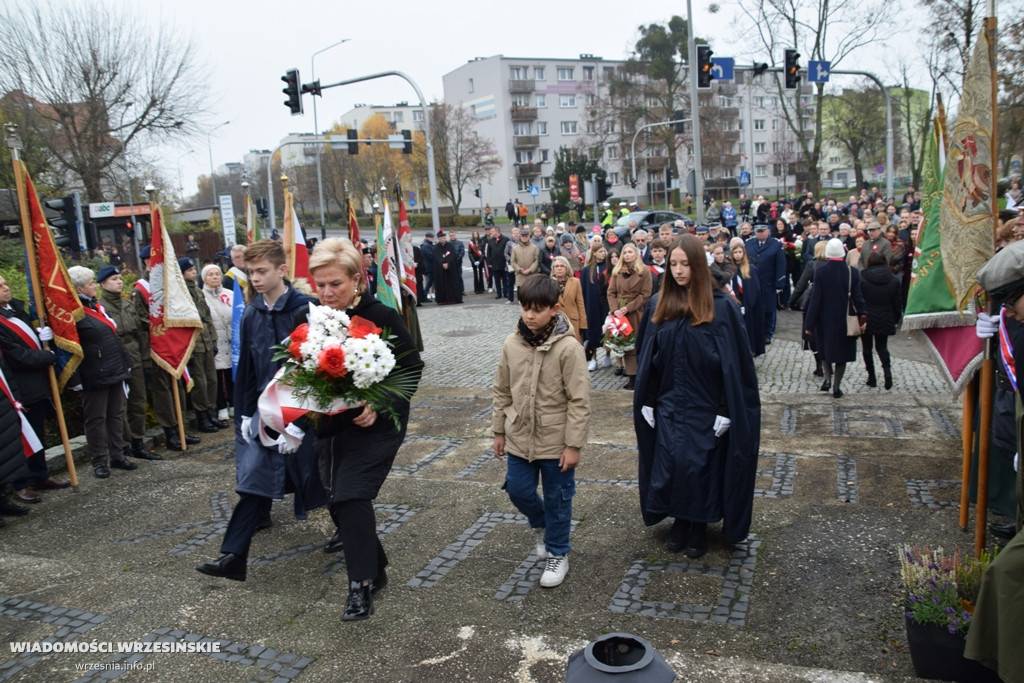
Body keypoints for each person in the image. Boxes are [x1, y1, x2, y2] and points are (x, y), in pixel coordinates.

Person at [305, 237, 423, 620]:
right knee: (336, 500)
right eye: (319, 284)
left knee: (351, 495)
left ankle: (361, 586)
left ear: (356, 279)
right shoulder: (313, 321)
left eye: (335, 283)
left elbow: (411, 368)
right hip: (330, 426)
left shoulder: (380, 316)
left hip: (376, 425)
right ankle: (377, 566)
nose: (326, 292)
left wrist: (380, 404)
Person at [196, 239, 326, 583]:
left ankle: (350, 530)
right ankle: (233, 557)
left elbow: (318, 370)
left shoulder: (306, 310)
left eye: (261, 271)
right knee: (254, 481)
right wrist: (243, 413)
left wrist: (302, 423)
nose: (254, 278)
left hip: (303, 412)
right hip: (263, 412)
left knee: (321, 479)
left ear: (281, 269)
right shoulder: (252, 312)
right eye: (250, 271)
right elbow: (249, 369)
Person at [633, 235, 761, 558]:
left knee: (699, 465)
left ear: (698, 266)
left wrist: (725, 408)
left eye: (685, 264)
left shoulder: (722, 308)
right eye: (673, 264)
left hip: (705, 404)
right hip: (669, 402)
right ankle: (679, 518)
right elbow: (649, 356)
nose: (677, 271)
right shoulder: (659, 304)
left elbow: (734, 366)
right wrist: (647, 398)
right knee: (671, 462)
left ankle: (699, 524)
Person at [492, 274, 590, 588]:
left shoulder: (569, 348)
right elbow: (502, 390)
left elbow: (579, 399)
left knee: (559, 499)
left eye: (537, 309)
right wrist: (498, 431)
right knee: (519, 490)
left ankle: (557, 552)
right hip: (520, 437)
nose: (530, 315)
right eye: (525, 308)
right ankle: (543, 525)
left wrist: (573, 445)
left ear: (555, 309)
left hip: (556, 441)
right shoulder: (512, 343)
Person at [0, 276, 68, 503]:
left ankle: (39, 474)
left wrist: (42, 337)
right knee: (20, 438)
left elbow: (29, 340)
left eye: (5, 283)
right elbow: (17, 356)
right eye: (0, 286)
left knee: (38, 432)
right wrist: (46, 356)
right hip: (18, 388)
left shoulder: (17, 309)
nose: (6, 287)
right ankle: (20, 484)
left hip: (37, 384)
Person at [67, 265, 137, 479]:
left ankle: (117, 455)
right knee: (96, 419)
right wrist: (75, 379)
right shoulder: (76, 313)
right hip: (93, 373)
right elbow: (72, 347)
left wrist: (125, 363)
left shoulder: (96, 307)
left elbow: (114, 339)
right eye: (90, 284)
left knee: (115, 415)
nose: (94, 287)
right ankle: (99, 460)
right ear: (79, 288)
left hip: (114, 368)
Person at [96, 265, 161, 462]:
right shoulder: (100, 308)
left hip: (135, 357)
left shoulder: (127, 305)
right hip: (115, 359)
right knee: (119, 405)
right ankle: (122, 446)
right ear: (103, 284)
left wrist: (146, 362)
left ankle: (138, 442)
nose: (119, 281)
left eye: (119, 278)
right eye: (114, 279)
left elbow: (141, 335)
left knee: (138, 401)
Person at [804, 239, 867, 398]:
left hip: (824, 317)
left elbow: (816, 299)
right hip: (845, 317)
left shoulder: (821, 272)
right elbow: (858, 298)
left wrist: (809, 323)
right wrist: (862, 317)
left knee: (824, 350)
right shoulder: (852, 272)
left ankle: (827, 379)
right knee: (842, 354)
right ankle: (837, 387)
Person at [180, 258, 226, 433]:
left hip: (206, 340)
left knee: (212, 380)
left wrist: (213, 340)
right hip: (195, 343)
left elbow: (207, 318)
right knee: (200, 382)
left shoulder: (197, 291)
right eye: (190, 270)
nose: (194, 272)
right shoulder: (182, 293)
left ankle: (210, 413)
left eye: (194, 269)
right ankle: (202, 417)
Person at [607, 243, 653, 390]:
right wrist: (615, 310)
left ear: (636, 254)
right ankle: (631, 375)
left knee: (637, 344)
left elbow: (645, 294)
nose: (627, 255)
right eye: (625, 252)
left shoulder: (644, 271)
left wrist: (629, 307)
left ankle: (641, 375)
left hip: (636, 312)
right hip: (620, 314)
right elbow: (611, 292)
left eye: (630, 252)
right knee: (625, 345)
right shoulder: (617, 271)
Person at [858, 251, 901, 390]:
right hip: (885, 314)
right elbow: (897, 302)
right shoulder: (893, 279)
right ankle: (887, 373)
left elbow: (859, 299)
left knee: (867, 348)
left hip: (867, 316)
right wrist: (895, 318)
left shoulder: (863, 277)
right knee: (882, 347)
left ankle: (872, 377)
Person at [201, 264, 234, 421]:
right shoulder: (201, 297)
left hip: (230, 341)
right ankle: (221, 406)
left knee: (230, 373)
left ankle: (234, 403)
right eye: (210, 274)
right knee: (216, 375)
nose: (214, 277)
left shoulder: (231, 294)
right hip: (214, 341)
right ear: (204, 278)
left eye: (217, 274)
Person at [744, 224, 786, 345]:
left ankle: (768, 333)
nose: (760, 234)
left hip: (768, 282)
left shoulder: (775, 244)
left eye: (762, 231)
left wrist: (780, 283)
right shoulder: (749, 243)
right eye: (758, 231)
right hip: (752, 281)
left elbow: (781, 264)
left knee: (769, 308)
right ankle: (758, 332)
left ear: (768, 231)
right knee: (755, 308)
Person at [728, 238, 765, 357]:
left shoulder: (751, 269)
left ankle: (751, 350)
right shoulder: (730, 269)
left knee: (750, 328)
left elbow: (755, 289)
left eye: (740, 252)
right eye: (735, 252)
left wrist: (748, 303)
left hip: (749, 305)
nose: (738, 255)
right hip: (736, 303)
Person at [580, 243, 611, 371]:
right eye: (599, 251)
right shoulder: (587, 270)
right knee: (592, 331)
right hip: (591, 305)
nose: (602, 254)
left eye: (604, 251)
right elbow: (583, 289)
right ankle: (593, 358)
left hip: (605, 305)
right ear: (593, 253)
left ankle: (608, 354)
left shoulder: (608, 268)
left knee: (607, 329)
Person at [551, 256, 585, 344]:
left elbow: (580, 304)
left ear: (567, 268)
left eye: (562, 266)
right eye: (556, 266)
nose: (559, 268)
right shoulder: (548, 283)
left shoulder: (576, 282)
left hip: (573, 321)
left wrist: (583, 325)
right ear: (553, 269)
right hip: (555, 322)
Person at [432, 231, 462, 305]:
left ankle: (454, 298)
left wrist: (448, 263)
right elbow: (435, 258)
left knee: (452, 283)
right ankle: (442, 299)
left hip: (450, 269)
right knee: (442, 284)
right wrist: (442, 263)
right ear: (439, 239)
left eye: (444, 238)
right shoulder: (436, 247)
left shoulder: (450, 246)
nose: (443, 239)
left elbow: (453, 256)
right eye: (441, 238)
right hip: (441, 270)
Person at [511, 228, 540, 299]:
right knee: (521, 293)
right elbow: (512, 261)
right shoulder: (515, 248)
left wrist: (530, 270)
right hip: (520, 274)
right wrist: (518, 269)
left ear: (529, 237)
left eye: (526, 236)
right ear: (520, 237)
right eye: (523, 236)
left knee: (531, 292)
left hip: (531, 274)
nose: (524, 238)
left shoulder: (534, 247)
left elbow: (537, 260)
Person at [468, 230, 487, 294]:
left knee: (481, 274)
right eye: (474, 234)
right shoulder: (471, 243)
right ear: (473, 235)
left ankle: (481, 288)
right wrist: (473, 261)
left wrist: (480, 260)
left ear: (478, 235)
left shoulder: (481, 241)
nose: (475, 235)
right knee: (475, 274)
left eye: (476, 234)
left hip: (480, 260)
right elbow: (470, 253)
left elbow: (483, 252)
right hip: (474, 260)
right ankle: (476, 289)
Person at [420, 233, 436, 301]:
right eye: (430, 237)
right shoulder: (426, 246)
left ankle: (425, 294)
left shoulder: (429, 245)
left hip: (431, 266)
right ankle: (424, 294)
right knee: (430, 281)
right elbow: (431, 256)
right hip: (430, 266)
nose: (432, 238)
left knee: (431, 280)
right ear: (427, 238)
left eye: (432, 237)